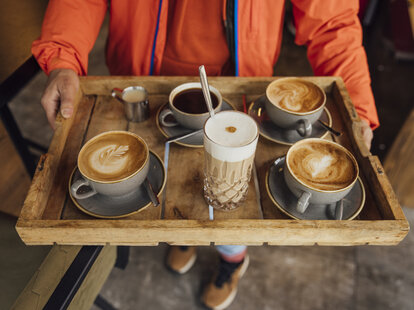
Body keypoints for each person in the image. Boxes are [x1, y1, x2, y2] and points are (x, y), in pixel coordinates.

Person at [32, 1, 379, 309]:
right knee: (175, 189)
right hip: (148, 87)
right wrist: (63, 56)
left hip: (239, 86)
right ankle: (188, 237)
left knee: (234, 197)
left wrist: (357, 105)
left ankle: (231, 258)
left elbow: (330, 20)